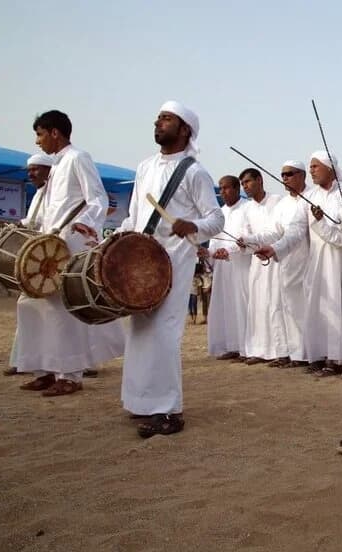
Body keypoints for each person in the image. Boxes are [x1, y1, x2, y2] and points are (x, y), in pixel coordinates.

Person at [117, 100, 224, 438]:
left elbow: (216, 219)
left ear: (184, 129)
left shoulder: (194, 171)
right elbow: (133, 215)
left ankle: (168, 411)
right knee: (139, 331)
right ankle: (141, 402)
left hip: (174, 263)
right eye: (158, 118)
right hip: (141, 261)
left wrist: (191, 224)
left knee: (164, 332)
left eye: (166, 118)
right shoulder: (145, 166)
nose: (158, 122)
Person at [16, 110, 124, 395]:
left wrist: (85, 224)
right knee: (29, 304)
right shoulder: (55, 168)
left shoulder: (78, 158)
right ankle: (43, 369)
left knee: (61, 311)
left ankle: (70, 375)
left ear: (55, 133)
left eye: (40, 134)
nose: (38, 141)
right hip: (48, 246)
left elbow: (97, 197)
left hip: (68, 246)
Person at [251, 161, 311, 367]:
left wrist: (276, 247)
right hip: (287, 263)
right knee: (289, 309)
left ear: (302, 176)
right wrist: (250, 239)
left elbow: (297, 232)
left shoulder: (310, 199)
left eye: (289, 174)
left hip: (311, 263)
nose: (285, 178)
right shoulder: (282, 205)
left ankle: (312, 354)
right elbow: (274, 232)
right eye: (283, 175)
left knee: (308, 310)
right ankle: (296, 355)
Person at [301, 151, 342, 376]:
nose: (311, 171)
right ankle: (321, 355)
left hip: (338, 262)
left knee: (338, 308)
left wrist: (321, 222)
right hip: (317, 261)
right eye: (310, 167)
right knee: (319, 308)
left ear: (329, 168)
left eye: (315, 166)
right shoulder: (311, 196)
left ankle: (338, 358)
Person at [5, 153, 53, 376]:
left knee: (38, 308)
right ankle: (25, 360)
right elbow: (32, 221)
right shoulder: (39, 195)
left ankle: (76, 366)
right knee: (28, 306)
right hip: (38, 258)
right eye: (29, 170)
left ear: (48, 170)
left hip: (50, 258)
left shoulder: (56, 193)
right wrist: (16, 225)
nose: (30, 174)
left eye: (35, 169)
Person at [236, 168, 283, 365]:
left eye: (247, 182)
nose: (245, 187)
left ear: (260, 180)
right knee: (257, 306)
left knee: (275, 304)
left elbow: (278, 232)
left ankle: (279, 351)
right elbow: (245, 234)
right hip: (257, 262)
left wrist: (252, 240)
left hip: (275, 260)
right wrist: (244, 244)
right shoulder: (246, 209)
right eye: (242, 184)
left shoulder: (277, 201)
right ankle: (258, 350)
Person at [204, 175, 249, 358]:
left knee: (242, 305)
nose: (222, 192)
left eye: (226, 188)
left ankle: (246, 347)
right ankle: (230, 346)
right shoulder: (220, 213)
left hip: (241, 265)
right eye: (220, 188)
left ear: (237, 189)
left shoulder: (247, 209)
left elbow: (246, 236)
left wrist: (229, 250)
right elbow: (214, 241)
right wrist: (210, 253)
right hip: (223, 269)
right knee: (226, 306)